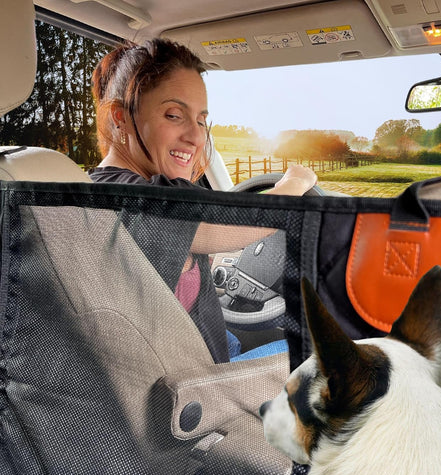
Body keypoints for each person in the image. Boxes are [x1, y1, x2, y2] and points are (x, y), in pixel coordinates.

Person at [90, 38, 317, 362]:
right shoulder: (140, 198)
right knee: (326, 351)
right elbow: (242, 220)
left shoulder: (95, 190)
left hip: (192, 351)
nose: (197, 137)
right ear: (120, 117)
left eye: (200, 120)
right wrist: (296, 182)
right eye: (173, 115)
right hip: (195, 382)